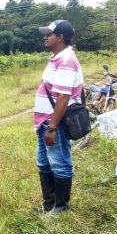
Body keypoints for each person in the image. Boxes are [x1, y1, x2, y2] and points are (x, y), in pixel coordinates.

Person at [35, 20, 84, 214]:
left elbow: (63, 96)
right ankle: (49, 204)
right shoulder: (57, 58)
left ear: (60, 37)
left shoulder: (66, 61)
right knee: (44, 162)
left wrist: (53, 127)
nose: (45, 37)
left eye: (49, 34)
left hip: (55, 121)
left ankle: (61, 207)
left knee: (59, 162)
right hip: (45, 121)